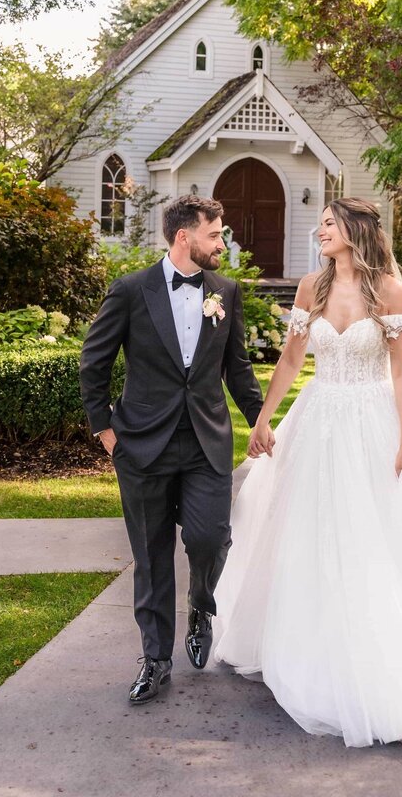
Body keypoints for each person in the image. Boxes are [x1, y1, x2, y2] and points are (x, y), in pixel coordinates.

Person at [212, 197, 402, 748]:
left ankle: (381, 648)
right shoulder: (312, 287)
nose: (320, 231)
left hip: (371, 423)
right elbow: (289, 359)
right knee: (309, 529)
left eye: (329, 224)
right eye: (322, 224)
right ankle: (308, 641)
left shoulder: (390, 292)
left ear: (355, 230)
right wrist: (262, 419)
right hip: (318, 416)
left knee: (374, 533)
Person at [80, 195, 271, 705]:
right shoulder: (129, 291)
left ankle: (202, 605)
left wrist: (262, 422)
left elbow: (238, 369)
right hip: (142, 444)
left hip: (206, 441)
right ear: (185, 236)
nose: (222, 243)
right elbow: (93, 363)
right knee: (151, 555)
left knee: (210, 538)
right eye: (215, 234)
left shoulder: (225, 291)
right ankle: (156, 658)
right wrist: (107, 432)